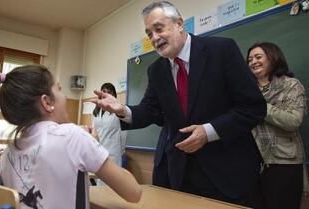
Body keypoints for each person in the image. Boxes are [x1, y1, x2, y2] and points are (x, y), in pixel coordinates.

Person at [92, 1, 267, 208]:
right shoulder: (156, 70)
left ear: (180, 24)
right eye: (149, 34)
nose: (154, 38)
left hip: (229, 175)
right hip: (182, 175)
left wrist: (208, 131)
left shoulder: (221, 50)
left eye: (159, 29)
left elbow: (253, 107)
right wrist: (123, 110)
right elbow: (150, 111)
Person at [0, 65, 141, 209]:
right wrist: (95, 146)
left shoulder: (7, 156)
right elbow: (134, 192)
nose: (65, 96)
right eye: (59, 89)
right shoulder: (74, 136)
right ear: (47, 102)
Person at [247, 42, 307, 209]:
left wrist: (259, 105)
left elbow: (293, 121)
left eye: (258, 57)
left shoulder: (291, 85)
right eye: (250, 59)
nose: (253, 62)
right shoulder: (246, 90)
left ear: (273, 58)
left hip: (283, 163)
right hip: (252, 163)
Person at [92, 83, 127, 185]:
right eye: (103, 92)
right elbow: (95, 133)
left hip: (114, 153)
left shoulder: (118, 111)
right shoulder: (96, 112)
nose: (105, 94)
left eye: (109, 92)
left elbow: (124, 134)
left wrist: (119, 151)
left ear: (113, 95)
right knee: (100, 185)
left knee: (113, 185)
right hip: (99, 153)